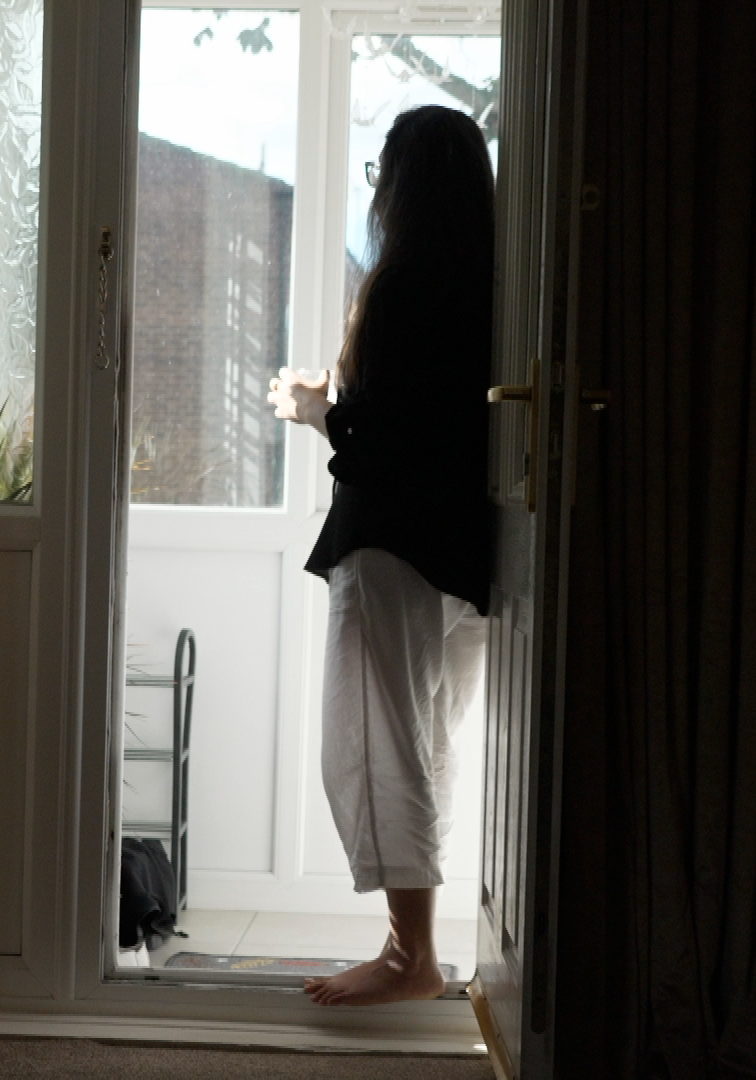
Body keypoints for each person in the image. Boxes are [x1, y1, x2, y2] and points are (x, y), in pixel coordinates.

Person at [267, 105, 495, 1007]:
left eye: (377, 175)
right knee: (426, 745)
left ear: (398, 186)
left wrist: (317, 408)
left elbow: (384, 446)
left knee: (374, 747)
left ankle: (410, 955)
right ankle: (417, 949)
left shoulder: (403, 286)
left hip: (392, 545)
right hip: (463, 552)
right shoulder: (493, 282)